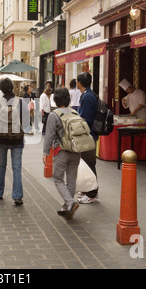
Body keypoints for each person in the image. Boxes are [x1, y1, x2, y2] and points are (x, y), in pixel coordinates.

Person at [0, 78, 29, 205]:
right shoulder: (20, 102)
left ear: (2, 89)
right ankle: (17, 196)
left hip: (1, 138)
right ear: (13, 87)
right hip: (16, 138)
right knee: (16, 167)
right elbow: (27, 121)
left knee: (1, 165)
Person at [43, 87, 80, 220]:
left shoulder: (54, 115)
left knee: (58, 178)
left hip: (62, 151)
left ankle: (70, 203)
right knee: (71, 179)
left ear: (55, 100)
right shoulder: (75, 112)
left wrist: (45, 152)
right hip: (76, 151)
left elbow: (49, 135)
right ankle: (67, 207)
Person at [76, 72, 99, 204]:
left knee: (89, 163)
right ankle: (87, 189)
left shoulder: (87, 97)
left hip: (88, 136)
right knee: (86, 162)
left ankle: (92, 193)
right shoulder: (88, 95)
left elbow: (85, 119)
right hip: (89, 135)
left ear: (80, 82)